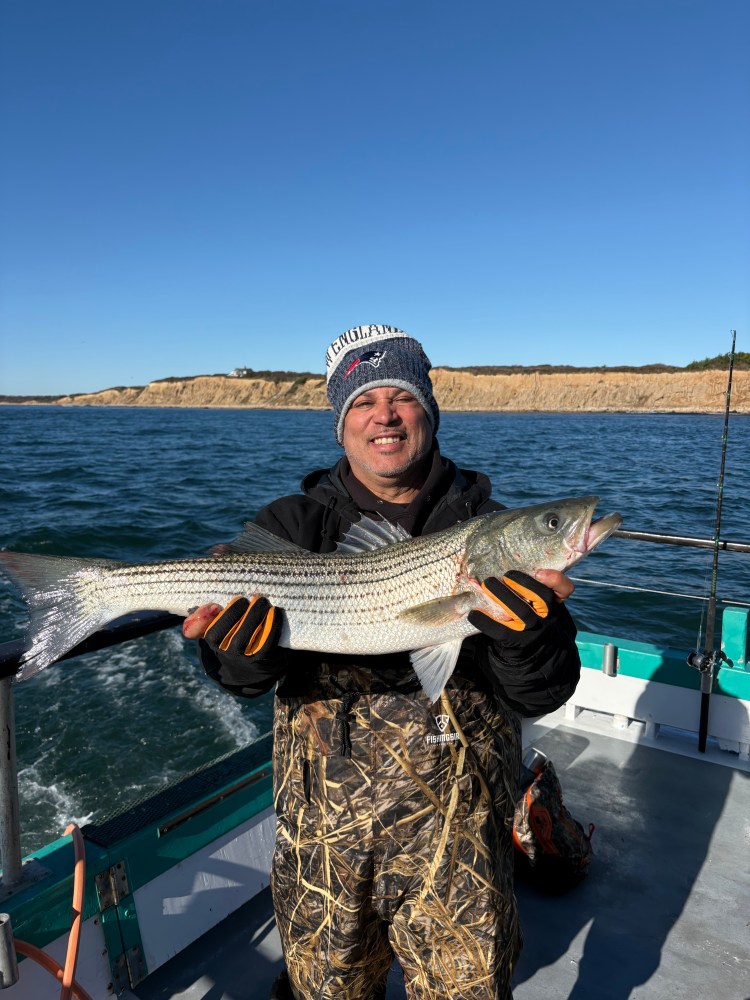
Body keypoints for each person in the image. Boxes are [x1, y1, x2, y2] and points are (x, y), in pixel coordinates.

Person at [183, 325, 581, 1000]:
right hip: (323, 844)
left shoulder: (491, 528)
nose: (385, 415)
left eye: (402, 396)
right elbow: (240, 681)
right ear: (341, 422)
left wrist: (527, 639)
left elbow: (543, 692)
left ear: (429, 410)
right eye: (364, 401)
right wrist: (234, 651)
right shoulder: (291, 525)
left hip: (463, 844)